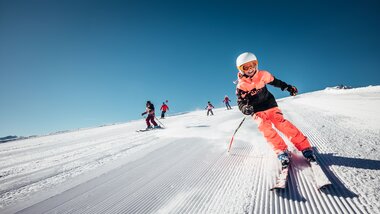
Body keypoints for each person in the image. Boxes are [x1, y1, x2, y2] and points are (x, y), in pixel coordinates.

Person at [235, 52, 316, 169]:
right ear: (241, 69)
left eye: (252, 65)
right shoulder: (241, 86)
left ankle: (305, 147)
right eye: (246, 67)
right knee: (265, 128)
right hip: (257, 110)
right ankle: (281, 151)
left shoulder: (263, 75)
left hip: (270, 105)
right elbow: (240, 102)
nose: (250, 69)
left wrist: (288, 87)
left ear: (256, 64)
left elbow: (276, 82)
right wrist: (244, 108)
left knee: (281, 124)